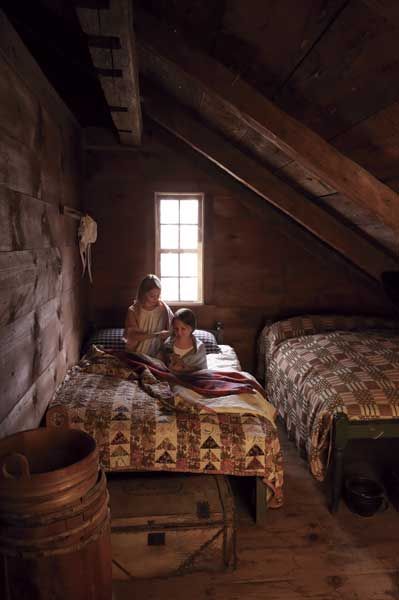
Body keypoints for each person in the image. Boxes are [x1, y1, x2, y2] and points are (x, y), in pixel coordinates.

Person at [123, 274, 173, 357]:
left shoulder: (164, 309)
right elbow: (133, 336)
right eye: (152, 296)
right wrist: (156, 334)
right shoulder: (133, 310)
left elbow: (173, 327)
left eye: (158, 295)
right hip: (138, 353)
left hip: (158, 354)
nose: (155, 299)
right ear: (143, 293)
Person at [162, 308, 207, 372]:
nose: (179, 332)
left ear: (191, 328)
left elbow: (203, 371)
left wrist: (185, 368)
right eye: (176, 329)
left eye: (183, 329)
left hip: (192, 380)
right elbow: (163, 364)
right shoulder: (168, 343)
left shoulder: (199, 347)